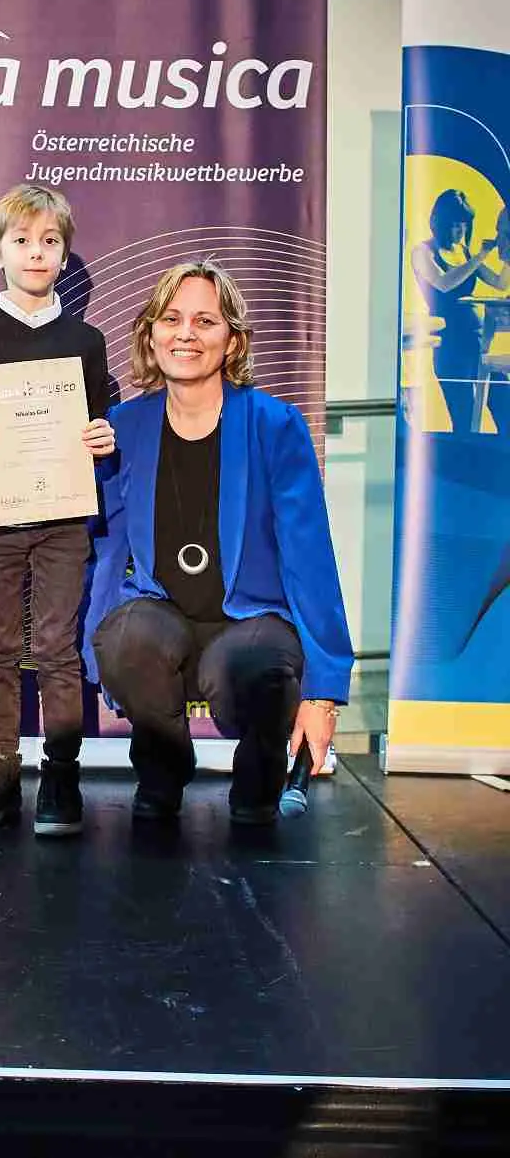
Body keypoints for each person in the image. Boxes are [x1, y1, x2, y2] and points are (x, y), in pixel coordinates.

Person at [82, 259, 353, 825]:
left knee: (259, 664)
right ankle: (162, 770)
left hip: (249, 624)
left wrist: (323, 691)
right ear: (151, 334)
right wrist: (95, 647)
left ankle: (258, 785)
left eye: (205, 321)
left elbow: (309, 560)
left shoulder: (274, 425)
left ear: (232, 341)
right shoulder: (123, 426)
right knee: (125, 639)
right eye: (171, 318)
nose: (185, 333)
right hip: (162, 615)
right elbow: (105, 546)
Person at [0, 184, 114, 836]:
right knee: (1, 646)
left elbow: (95, 417)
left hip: (64, 517)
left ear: (63, 255)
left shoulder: (86, 340)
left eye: (49, 241)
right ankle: (1, 770)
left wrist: (101, 436)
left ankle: (61, 774)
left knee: (57, 647)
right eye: (21, 240)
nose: (35, 252)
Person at [411, 188, 510, 434]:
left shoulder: (464, 253)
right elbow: (443, 283)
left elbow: (500, 283)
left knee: (504, 404)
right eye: (455, 224)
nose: (460, 231)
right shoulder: (422, 252)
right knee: (464, 416)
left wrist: (507, 253)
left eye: (464, 224)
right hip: (450, 345)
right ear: (440, 222)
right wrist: (479, 257)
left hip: (478, 341)